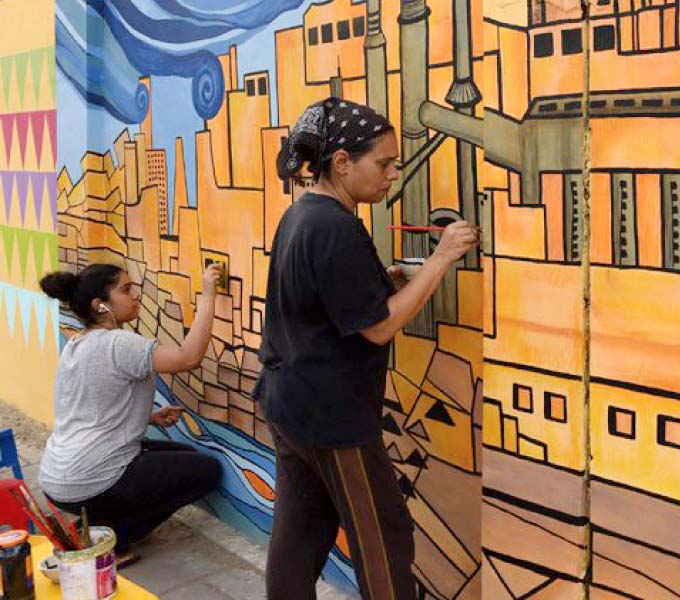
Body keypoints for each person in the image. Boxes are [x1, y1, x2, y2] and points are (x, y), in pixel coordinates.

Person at [256, 97, 480, 599]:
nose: (392, 174)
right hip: (331, 418)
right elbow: (377, 329)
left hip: (288, 403)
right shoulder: (334, 227)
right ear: (341, 163)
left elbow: (332, 298)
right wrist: (442, 259)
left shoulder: (302, 216)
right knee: (383, 533)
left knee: (299, 530)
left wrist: (391, 280)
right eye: (382, 163)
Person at [38, 262, 224, 565]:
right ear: (101, 305)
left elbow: (84, 409)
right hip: (91, 479)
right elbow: (188, 358)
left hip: (57, 479)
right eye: (125, 290)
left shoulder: (76, 345)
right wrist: (207, 295)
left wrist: (147, 418)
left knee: (183, 454)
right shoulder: (117, 343)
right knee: (206, 472)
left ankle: (95, 523)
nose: (135, 296)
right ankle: (111, 539)